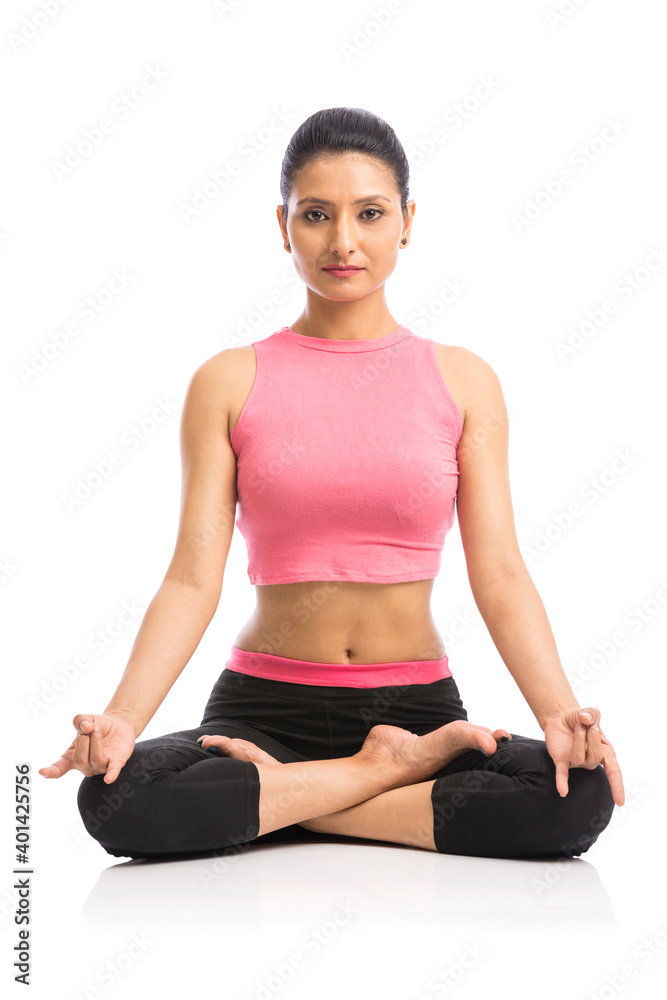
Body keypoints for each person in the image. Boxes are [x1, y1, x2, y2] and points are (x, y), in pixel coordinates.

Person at [39, 107, 624, 861]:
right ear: (283, 226)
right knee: (115, 799)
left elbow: (501, 571)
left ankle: (301, 798)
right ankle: (372, 779)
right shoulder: (229, 380)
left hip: (416, 709)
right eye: (315, 215)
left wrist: (559, 716)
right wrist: (122, 718)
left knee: (571, 803)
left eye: (369, 214)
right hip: (260, 706)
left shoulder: (462, 380)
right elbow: (191, 579)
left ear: (405, 222)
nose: (342, 241)